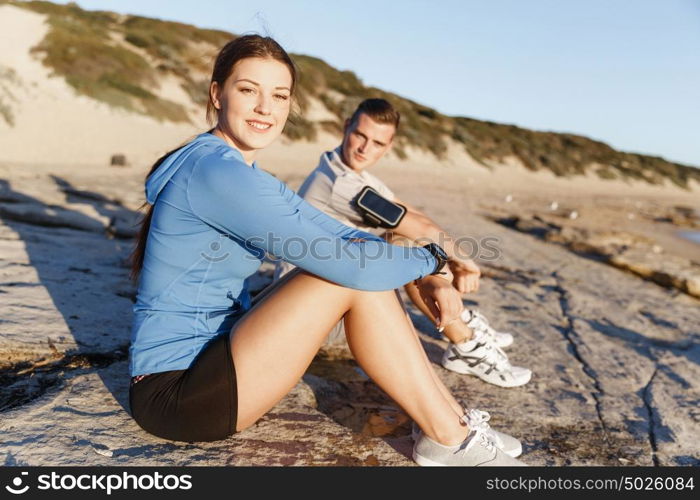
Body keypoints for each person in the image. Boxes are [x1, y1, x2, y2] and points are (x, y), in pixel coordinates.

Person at [127, 35, 526, 466]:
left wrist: (432, 272)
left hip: (217, 352)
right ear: (216, 93)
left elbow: (342, 236)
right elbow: (353, 262)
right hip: (178, 394)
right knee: (352, 278)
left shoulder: (233, 168)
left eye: (279, 96)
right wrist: (431, 261)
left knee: (358, 270)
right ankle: (448, 437)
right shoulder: (218, 172)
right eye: (248, 90)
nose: (265, 108)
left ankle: (452, 425)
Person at [274, 98, 531, 388]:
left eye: (377, 143)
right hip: (309, 315)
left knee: (408, 242)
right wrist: (464, 262)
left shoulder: (349, 172)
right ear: (346, 127)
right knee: (406, 244)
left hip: (325, 292)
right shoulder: (340, 184)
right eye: (360, 135)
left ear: (389, 146)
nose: (364, 149)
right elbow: (417, 228)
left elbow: (413, 213)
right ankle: (465, 344)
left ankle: (464, 319)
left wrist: (450, 259)